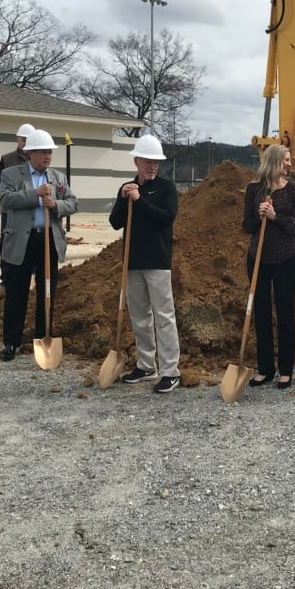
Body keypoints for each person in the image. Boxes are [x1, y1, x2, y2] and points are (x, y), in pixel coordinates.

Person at [109, 134, 182, 394]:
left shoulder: (166, 188)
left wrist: (140, 201)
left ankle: (171, 371)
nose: (152, 166)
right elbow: (115, 222)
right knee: (139, 316)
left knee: (164, 316)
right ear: (136, 161)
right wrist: (122, 197)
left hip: (158, 261)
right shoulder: (127, 187)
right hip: (133, 261)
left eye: (156, 162)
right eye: (147, 161)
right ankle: (146, 364)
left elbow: (166, 218)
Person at [0, 130, 79, 361]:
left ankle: (44, 335)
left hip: (48, 239)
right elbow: (6, 200)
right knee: (17, 292)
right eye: (43, 151)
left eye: (50, 152)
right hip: (22, 239)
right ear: (30, 153)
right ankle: (11, 342)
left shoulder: (58, 177)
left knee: (47, 290)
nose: (47, 156)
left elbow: (74, 203)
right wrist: (35, 194)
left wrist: (56, 205)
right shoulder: (10, 174)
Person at [241, 145, 295, 389]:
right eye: (286, 160)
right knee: (261, 313)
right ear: (275, 162)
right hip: (257, 259)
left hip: (285, 258)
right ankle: (265, 368)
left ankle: (286, 369)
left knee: (285, 312)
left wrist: (275, 216)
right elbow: (246, 226)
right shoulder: (254, 189)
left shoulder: (293, 191)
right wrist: (259, 215)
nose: (289, 164)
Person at [0, 123, 36, 293]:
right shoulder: (7, 159)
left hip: (30, 210)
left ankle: (32, 278)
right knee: (7, 243)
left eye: (28, 139)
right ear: (17, 139)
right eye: (22, 139)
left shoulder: (37, 158)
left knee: (31, 242)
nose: (25, 142)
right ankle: (5, 281)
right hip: (10, 211)